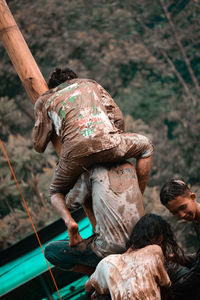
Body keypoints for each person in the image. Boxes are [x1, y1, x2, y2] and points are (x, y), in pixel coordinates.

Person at [32, 67, 153, 213]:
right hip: (108, 143)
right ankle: (139, 195)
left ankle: (70, 221)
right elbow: (118, 119)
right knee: (146, 147)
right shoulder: (90, 84)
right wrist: (113, 141)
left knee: (55, 192)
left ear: (53, 87)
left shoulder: (44, 100)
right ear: (75, 79)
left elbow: (39, 146)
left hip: (74, 155)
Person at [45, 160, 145, 274]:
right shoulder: (129, 166)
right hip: (141, 236)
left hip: (111, 248)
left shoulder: (90, 174)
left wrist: (70, 185)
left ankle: (95, 274)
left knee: (51, 251)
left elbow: (69, 203)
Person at [85, 214, 185, 300]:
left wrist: (103, 289)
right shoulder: (154, 250)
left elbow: (88, 287)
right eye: (162, 243)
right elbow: (166, 283)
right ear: (159, 238)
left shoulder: (106, 262)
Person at [160, 179, 200, 300]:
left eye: (183, 207)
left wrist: (175, 288)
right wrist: (177, 258)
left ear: (192, 197)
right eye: (175, 212)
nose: (181, 215)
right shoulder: (196, 220)